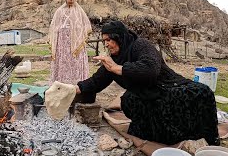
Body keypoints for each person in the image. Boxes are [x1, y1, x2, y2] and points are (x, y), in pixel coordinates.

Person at [75, 20, 219, 146]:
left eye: (108, 40)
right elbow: (96, 81)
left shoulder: (140, 45)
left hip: (168, 85)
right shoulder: (115, 57)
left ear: (119, 38)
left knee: (202, 92)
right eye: (104, 41)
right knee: (128, 101)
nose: (106, 44)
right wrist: (74, 89)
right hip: (146, 93)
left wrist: (119, 68)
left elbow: (151, 70)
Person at [49, 0, 92, 85]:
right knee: (63, 62)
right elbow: (54, 27)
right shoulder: (59, 11)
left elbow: (85, 26)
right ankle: (62, 83)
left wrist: (77, 32)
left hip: (76, 43)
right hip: (62, 43)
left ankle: (77, 84)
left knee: (75, 62)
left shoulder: (80, 11)